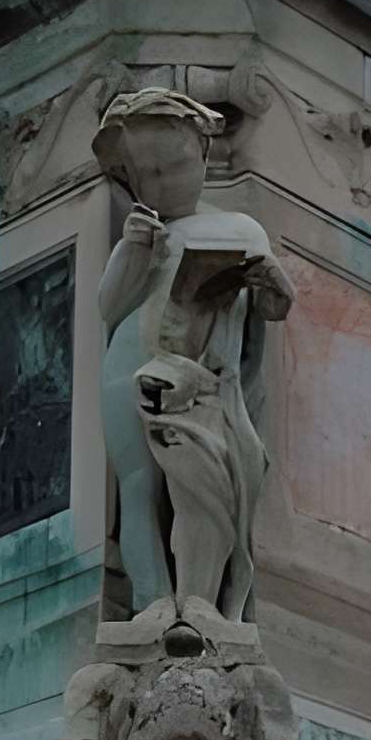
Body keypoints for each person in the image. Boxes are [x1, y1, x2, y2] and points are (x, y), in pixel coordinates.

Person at [93, 90, 293, 625]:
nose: (166, 183)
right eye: (150, 175)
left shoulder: (240, 230)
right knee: (138, 487)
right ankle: (153, 601)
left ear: (204, 157)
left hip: (202, 380)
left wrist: (276, 286)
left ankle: (200, 600)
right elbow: (109, 306)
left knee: (204, 493)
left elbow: (267, 312)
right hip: (128, 368)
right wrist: (134, 250)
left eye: (177, 166)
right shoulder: (144, 232)